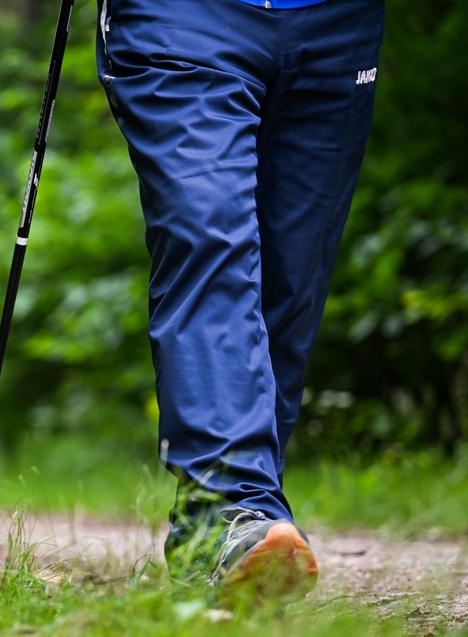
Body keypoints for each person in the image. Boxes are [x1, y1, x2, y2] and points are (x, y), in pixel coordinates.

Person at [96, 0, 383, 596]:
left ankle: (219, 538)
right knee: (208, 238)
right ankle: (236, 508)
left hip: (338, 22)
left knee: (292, 279)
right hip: (180, 19)